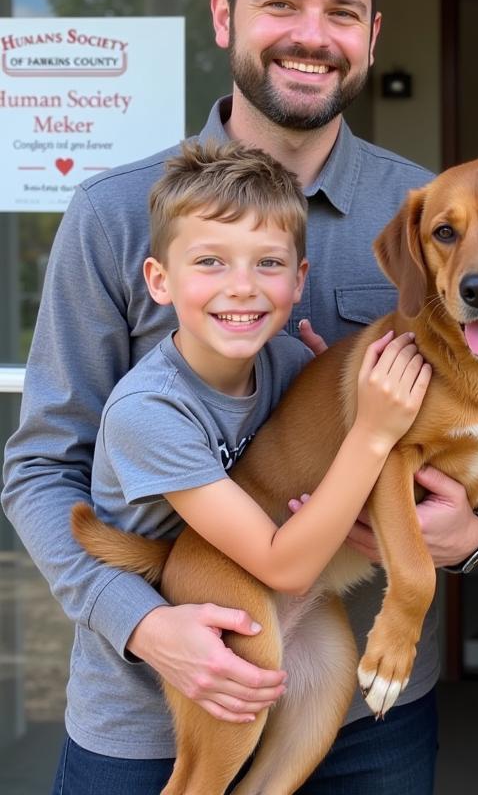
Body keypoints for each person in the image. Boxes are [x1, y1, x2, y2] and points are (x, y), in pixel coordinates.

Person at [2, 0, 478, 793]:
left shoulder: (435, 215)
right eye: (281, 4)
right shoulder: (115, 214)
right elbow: (40, 469)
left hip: (362, 710)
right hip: (151, 708)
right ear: (225, 13)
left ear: (372, 35)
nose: (313, 34)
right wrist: (141, 625)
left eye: (341, 12)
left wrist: (470, 538)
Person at [76, 138, 430, 785]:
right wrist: (371, 434)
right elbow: (285, 565)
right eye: (210, 262)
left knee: (314, 712)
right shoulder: (148, 413)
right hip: (215, 585)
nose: (241, 288)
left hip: (300, 583)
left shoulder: (290, 363)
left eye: (267, 264)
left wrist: (334, 386)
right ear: (159, 279)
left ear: (299, 282)